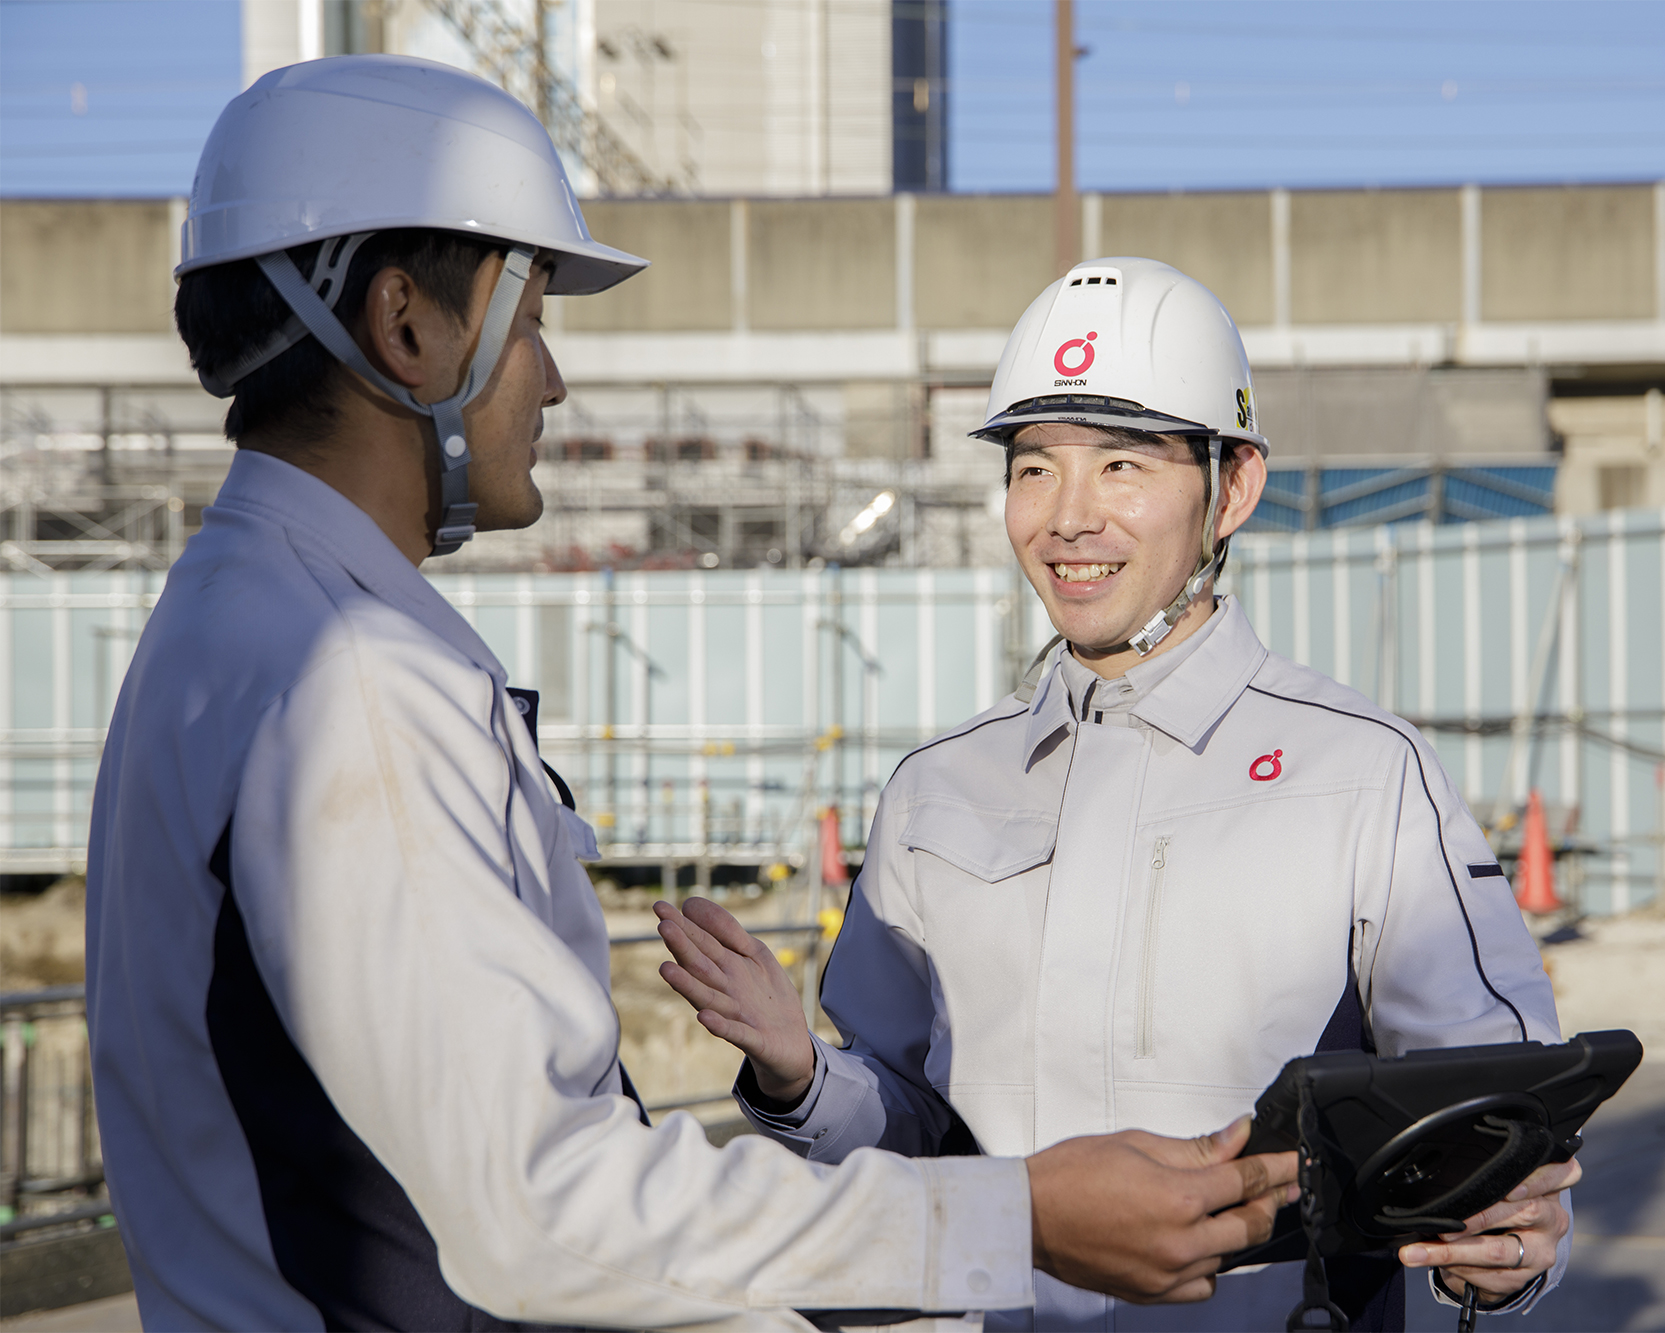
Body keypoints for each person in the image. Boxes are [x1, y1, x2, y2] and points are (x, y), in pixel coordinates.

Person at [85, 63, 1295, 1332]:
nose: (551, 381)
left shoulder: (233, 620)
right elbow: (542, 1210)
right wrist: (1019, 1217)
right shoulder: (354, 683)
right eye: (534, 313)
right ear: (406, 326)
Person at [656, 258, 1579, 1331]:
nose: (1066, 518)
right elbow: (917, 1133)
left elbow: (1493, 1112)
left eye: (1122, 466)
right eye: (1034, 467)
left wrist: (1503, 1250)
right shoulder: (937, 791)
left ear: (1230, 486)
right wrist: (797, 1074)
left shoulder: (1363, 773)